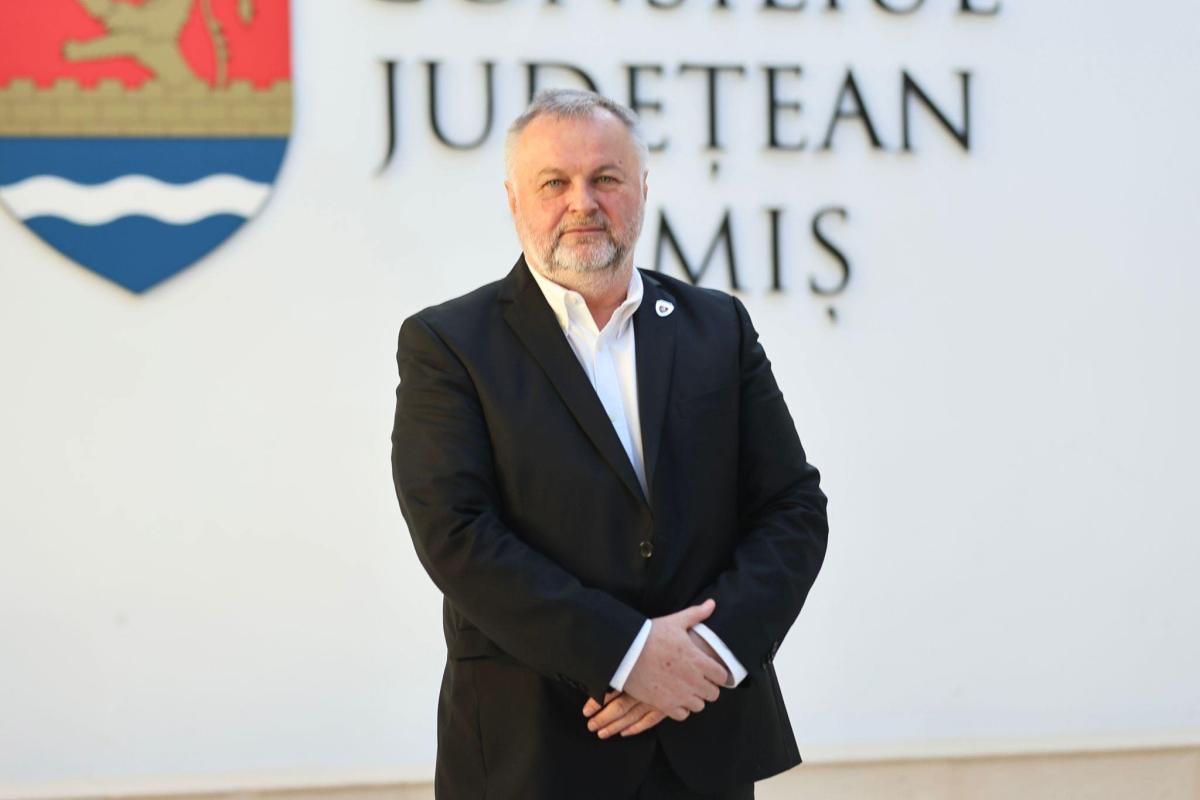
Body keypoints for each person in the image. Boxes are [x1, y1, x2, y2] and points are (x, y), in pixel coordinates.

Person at [391, 88, 828, 800]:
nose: (582, 202)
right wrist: (628, 655)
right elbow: (456, 534)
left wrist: (706, 654)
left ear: (642, 190)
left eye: (606, 178)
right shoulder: (449, 344)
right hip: (532, 755)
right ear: (513, 199)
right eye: (554, 182)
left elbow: (793, 507)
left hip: (700, 738)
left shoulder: (718, 328)